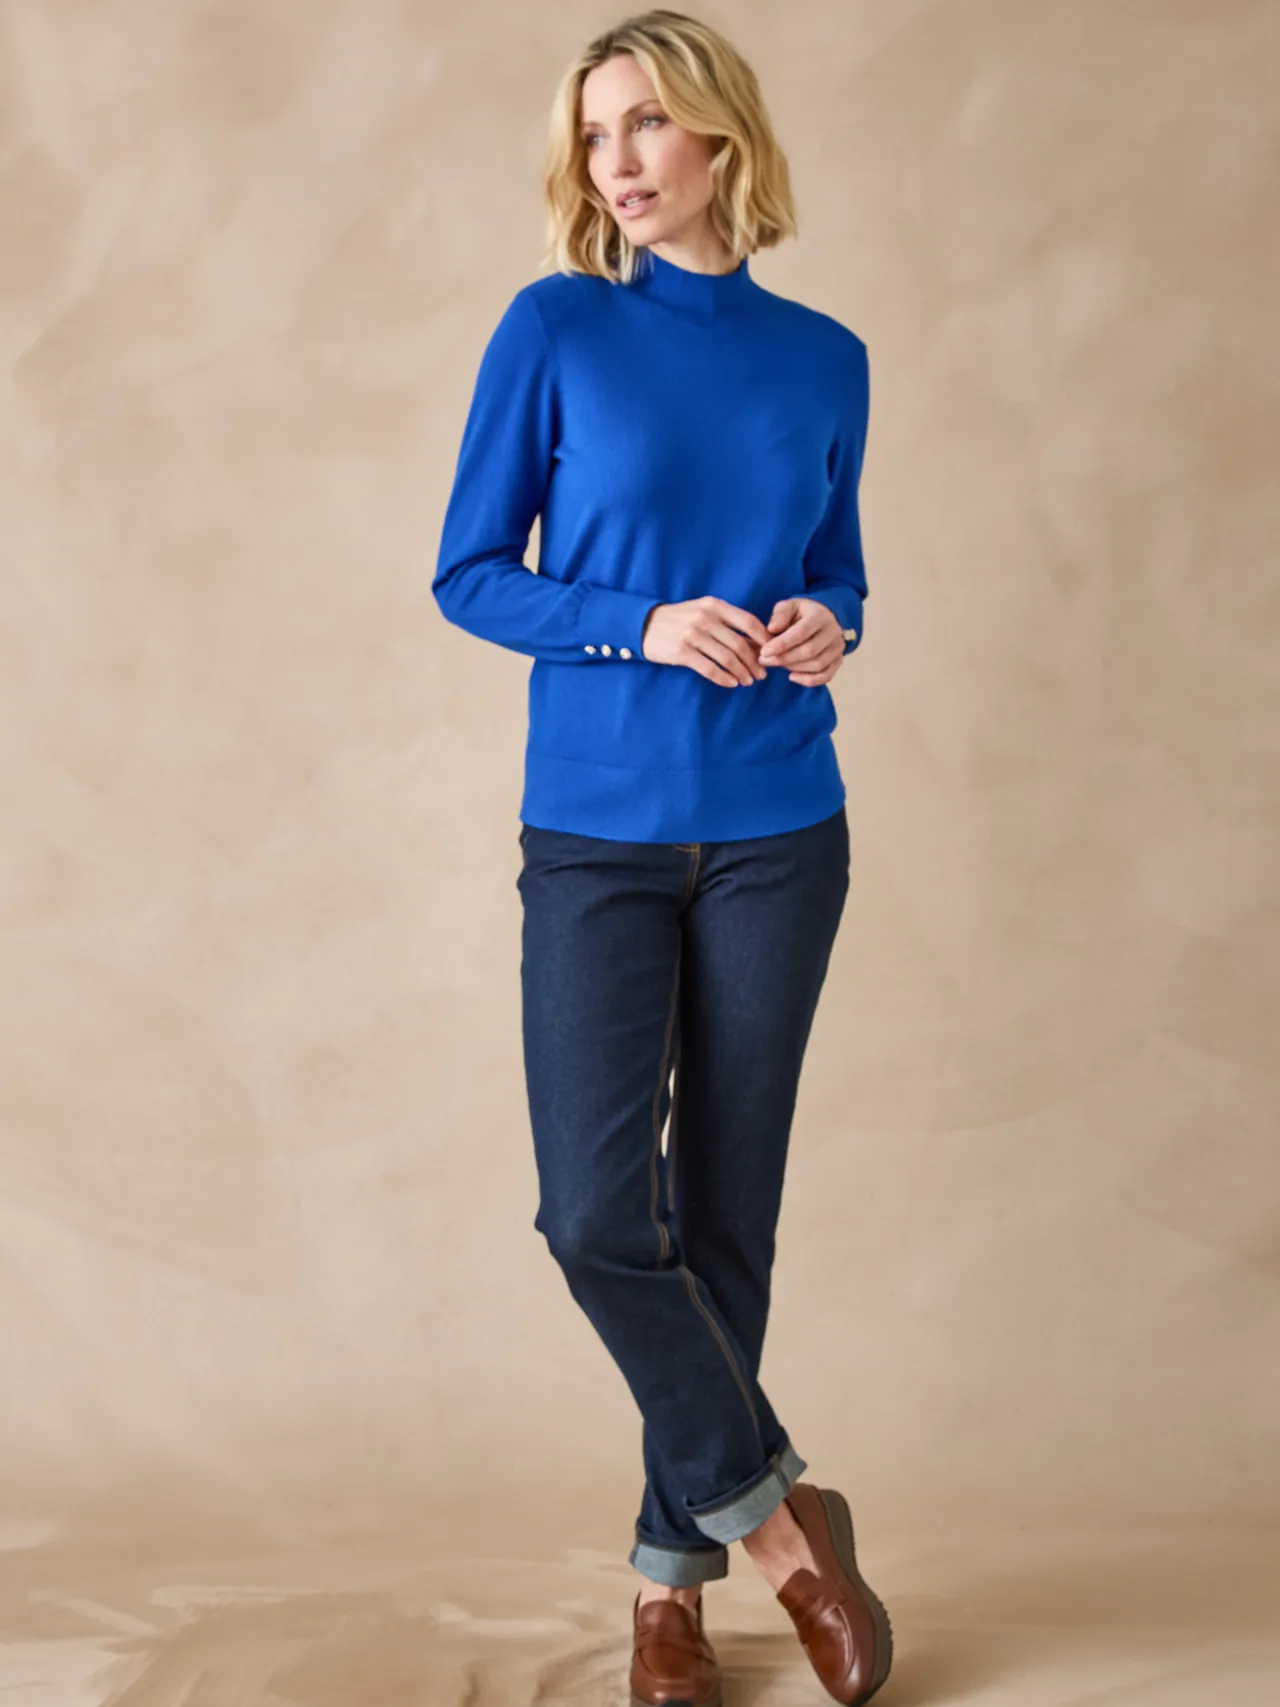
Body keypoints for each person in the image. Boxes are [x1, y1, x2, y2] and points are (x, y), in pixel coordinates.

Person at [433, 10, 893, 1705]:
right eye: (595, 133)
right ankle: (786, 1530)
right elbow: (471, 572)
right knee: (593, 1214)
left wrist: (829, 622)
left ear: (720, 139)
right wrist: (640, 623)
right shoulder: (554, 327)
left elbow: (839, 564)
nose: (616, 160)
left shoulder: (826, 355)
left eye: (644, 125)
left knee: (726, 1218)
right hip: (599, 835)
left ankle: (665, 1596)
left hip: (782, 826)